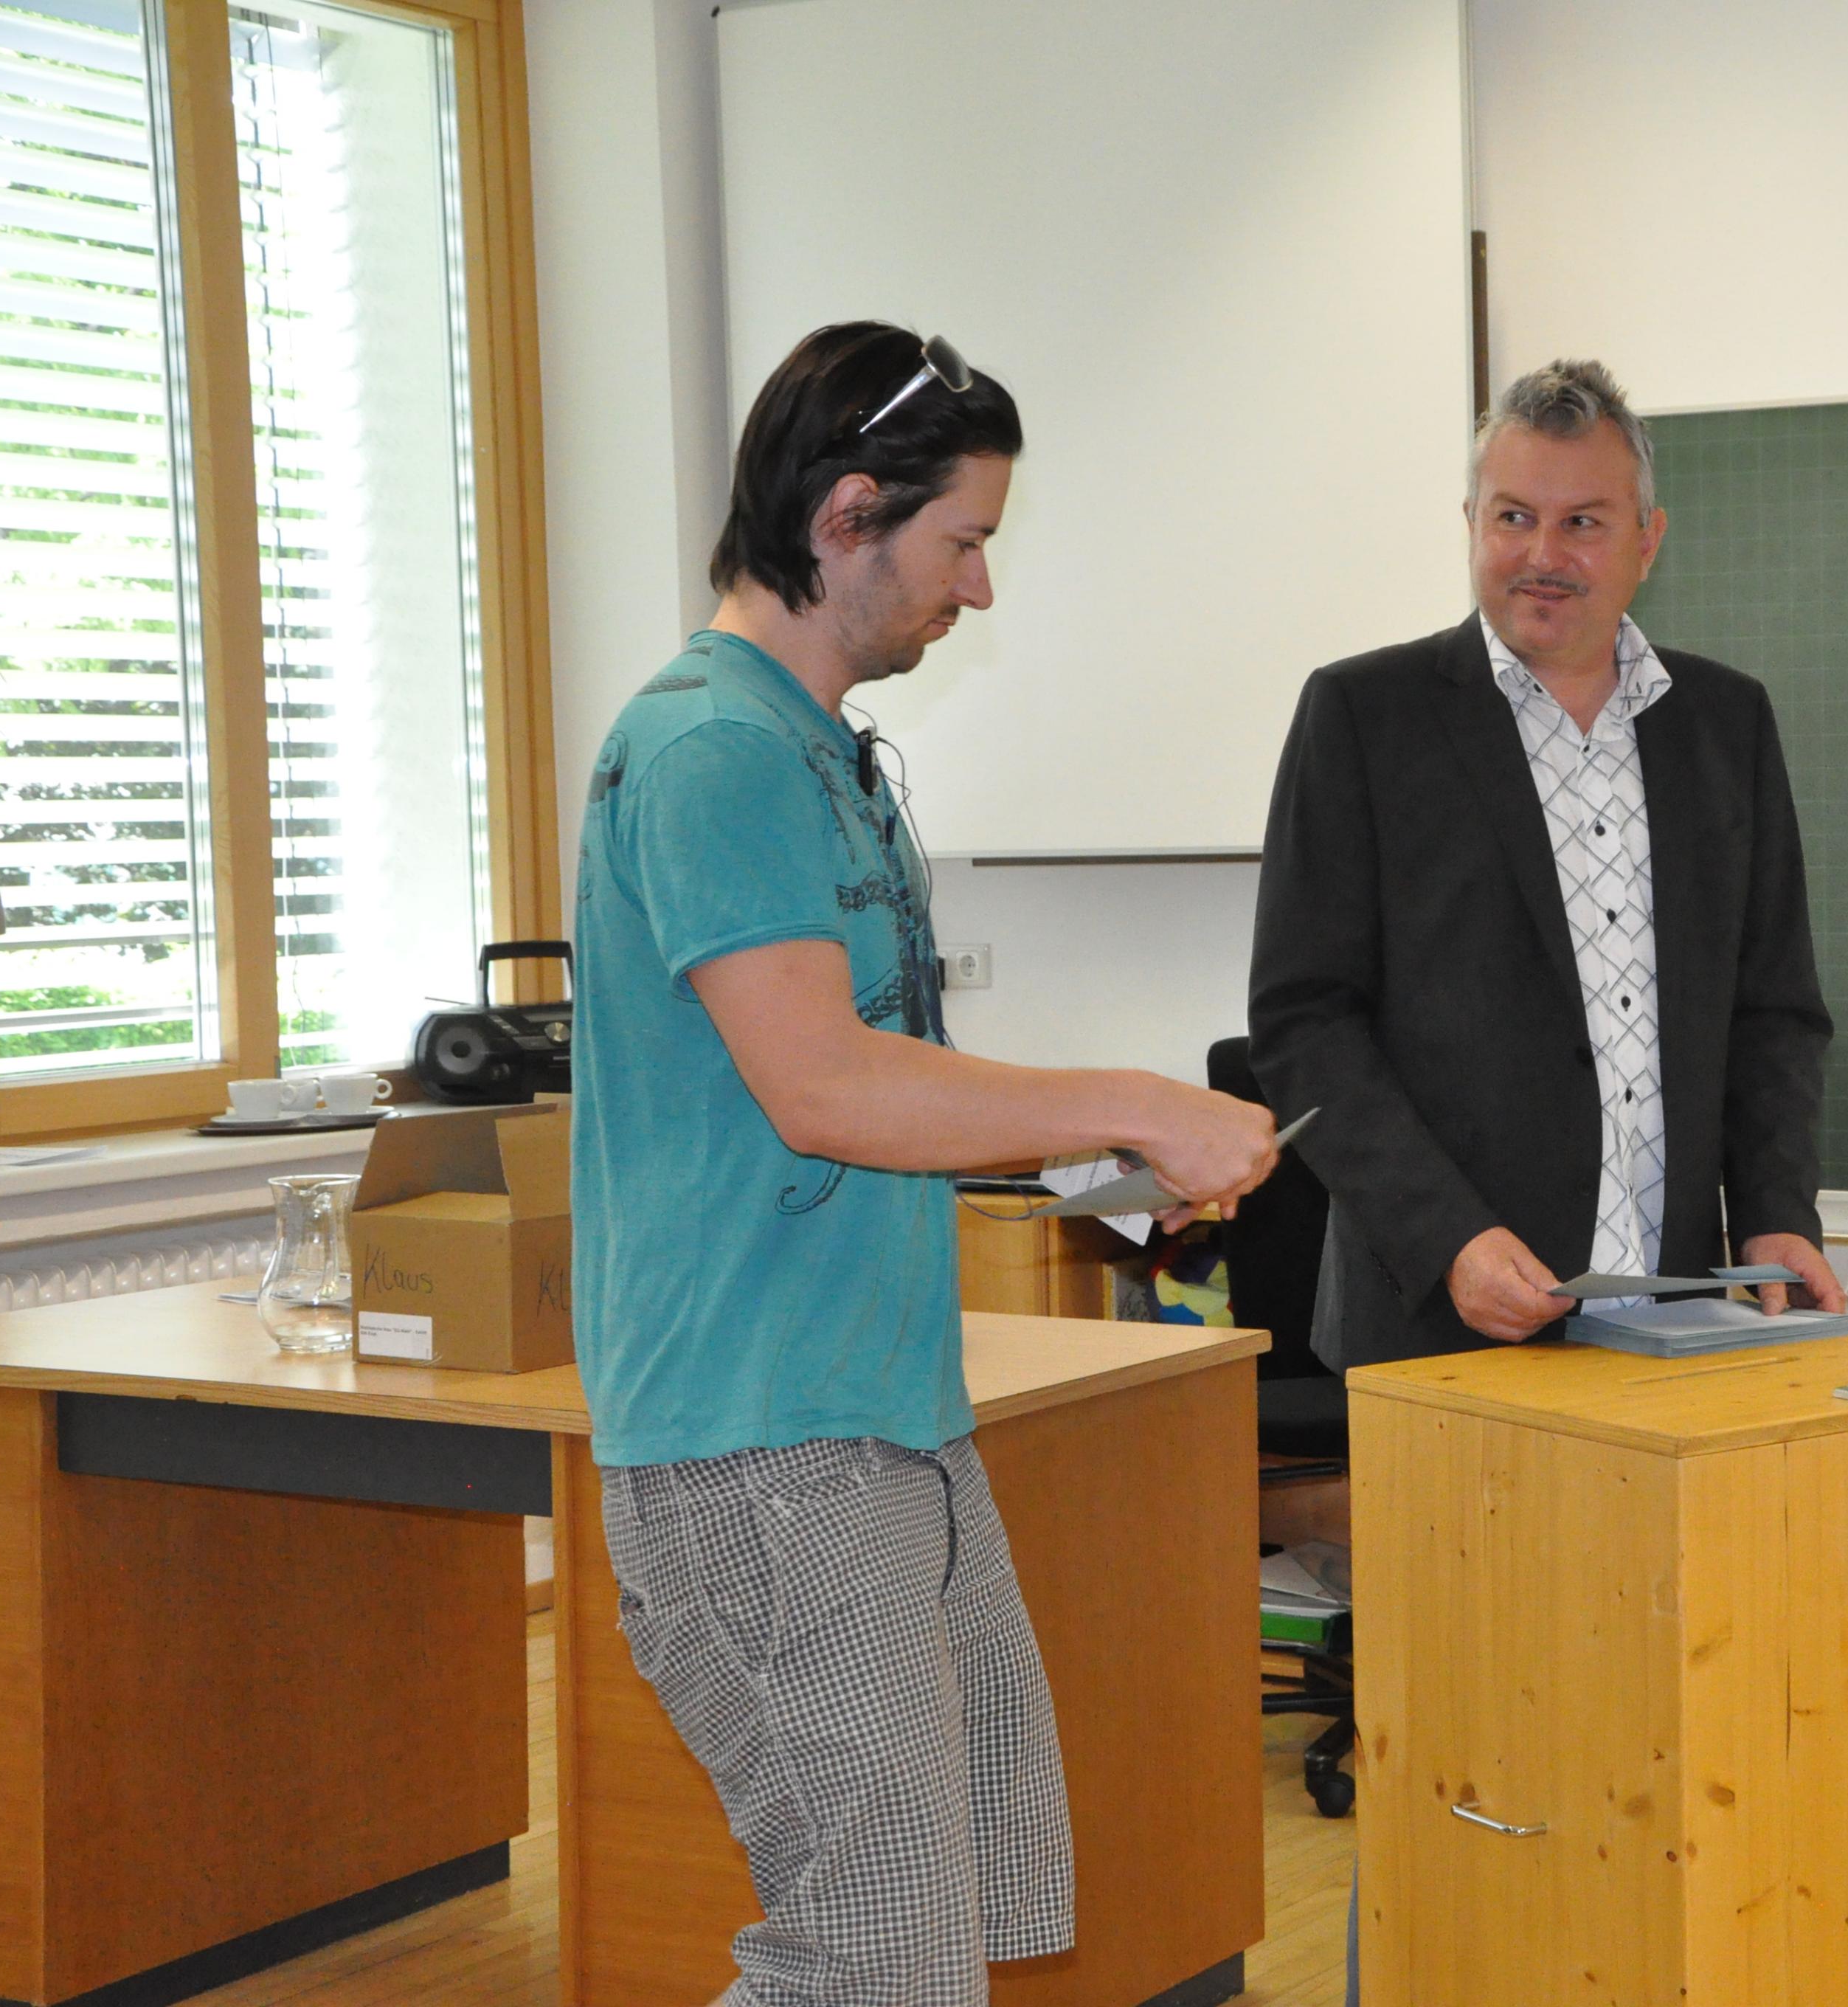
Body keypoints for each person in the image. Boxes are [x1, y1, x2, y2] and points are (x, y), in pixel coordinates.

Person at [570, 320, 1280, 2007]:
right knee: (872, 1963)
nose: (978, 587)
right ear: (846, 515)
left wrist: (1105, 1146)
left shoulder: (827, 752)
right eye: (961, 541)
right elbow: (823, 1088)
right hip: (759, 1439)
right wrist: (1132, 1094)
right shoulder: (713, 752)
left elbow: (887, 1075)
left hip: (881, 1413)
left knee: (953, 1923)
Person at [1250, 355, 1843, 1368]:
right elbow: (1306, 1022)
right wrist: (1449, 1239)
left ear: (1648, 540)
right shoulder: (1363, 716)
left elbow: (1772, 1010)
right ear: (1471, 523)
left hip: (1680, 1311)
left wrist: (1774, 1214)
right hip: (1445, 1320)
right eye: (1514, 518)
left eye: (1583, 523)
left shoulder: (1725, 724)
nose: (1542, 555)